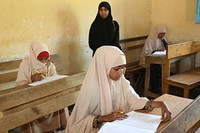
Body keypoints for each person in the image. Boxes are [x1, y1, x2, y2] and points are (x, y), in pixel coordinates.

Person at [66, 46, 171, 133]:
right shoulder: (91, 90)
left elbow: (134, 101)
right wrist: (104, 118)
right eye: (116, 68)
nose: (121, 72)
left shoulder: (121, 82)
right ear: (104, 66)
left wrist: (160, 104)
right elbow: (76, 126)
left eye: (123, 67)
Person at [16, 41, 68, 133]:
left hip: (47, 94)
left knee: (60, 98)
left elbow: (55, 79)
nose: (44, 62)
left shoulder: (50, 65)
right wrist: (31, 80)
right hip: (31, 97)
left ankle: (59, 127)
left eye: (46, 59)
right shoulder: (25, 65)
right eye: (40, 59)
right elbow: (18, 86)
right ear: (34, 56)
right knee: (31, 107)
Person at [139, 24, 169, 93]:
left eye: (164, 34)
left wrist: (163, 41)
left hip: (158, 59)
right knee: (155, 68)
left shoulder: (162, 39)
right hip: (148, 59)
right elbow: (147, 52)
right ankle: (154, 88)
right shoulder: (150, 39)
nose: (162, 35)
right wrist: (155, 51)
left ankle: (160, 87)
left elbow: (167, 48)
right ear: (157, 32)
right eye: (161, 33)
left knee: (162, 67)